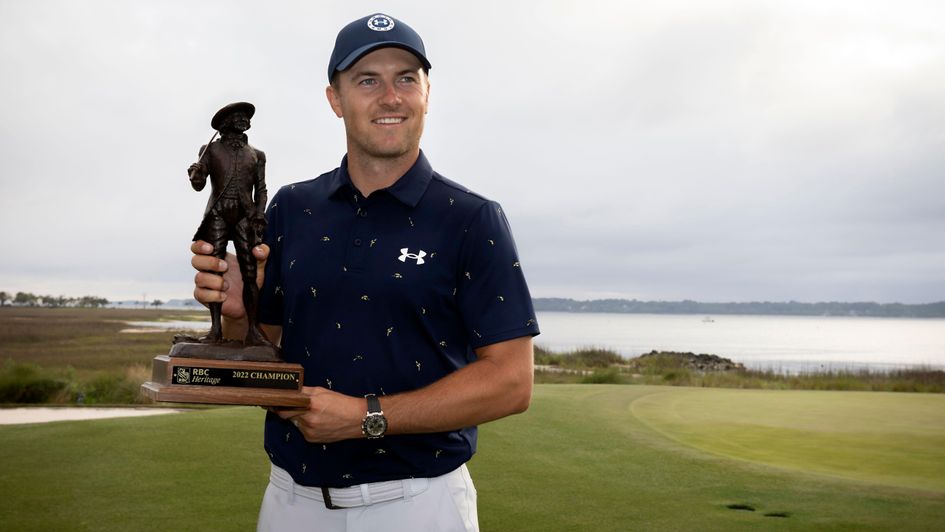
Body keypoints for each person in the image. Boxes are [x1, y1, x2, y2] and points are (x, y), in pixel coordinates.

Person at [191, 13, 539, 531]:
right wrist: (240, 319)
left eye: (406, 78)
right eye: (367, 80)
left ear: (426, 93)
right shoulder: (293, 207)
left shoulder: (470, 218)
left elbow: (511, 383)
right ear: (335, 98)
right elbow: (270, 349)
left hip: (419, 506)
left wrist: (365, 417)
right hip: (290, 503)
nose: (391, 96)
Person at [187, 101, 272, 348]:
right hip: (219, 213)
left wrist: (259, 213)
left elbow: (262, 190)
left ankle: (253, 331)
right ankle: (215, 330)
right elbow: (198, 185)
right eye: (238, 116)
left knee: (250, 272)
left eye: (246, 117)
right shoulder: (210, 150)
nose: (244, 120)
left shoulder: (257, 155)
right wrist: (195, 173)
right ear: (226, 122)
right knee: (214, 269)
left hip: (245, 215)